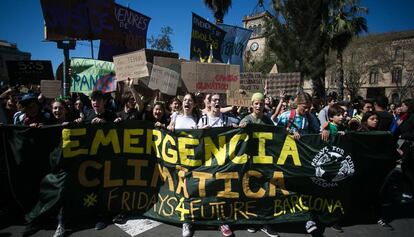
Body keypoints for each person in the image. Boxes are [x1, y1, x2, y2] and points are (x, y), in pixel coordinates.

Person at [197, 93, 238, 236]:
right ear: (209, 103)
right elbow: (193, 139)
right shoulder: (202, 119)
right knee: (206, 190)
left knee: (221, 192)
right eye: (214, 100)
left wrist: (239, 126)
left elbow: (241, 126)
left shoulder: (227, 119)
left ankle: (222, 221)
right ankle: (202, 216)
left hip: (222, 163)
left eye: (219, 100)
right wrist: (201, 131)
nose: (216, 102)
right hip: (206, 162)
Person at [239, 92, 279, 237]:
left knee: (266, 191)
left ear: (264, 105)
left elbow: (277, 132)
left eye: (261, 103)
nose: (259, 106)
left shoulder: (268, 120)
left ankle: (265, 222)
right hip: (250, 162)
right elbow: (238, 132)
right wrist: (241, 127)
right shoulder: (247, 119)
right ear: (251, 105)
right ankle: (252, 220)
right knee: (251, 191)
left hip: (265, 162)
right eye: (256, 103)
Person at [167, 93, 199, 237]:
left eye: (190, 100)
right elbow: (168, 128)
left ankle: (189, 220)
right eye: (185, 100)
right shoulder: (175, 116)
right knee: (180, 189)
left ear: (194, 105)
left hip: (192, 161)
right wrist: (169, 127)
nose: (187, 102)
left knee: (189, 190)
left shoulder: (197, 119)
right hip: (177, 160)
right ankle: (182, 218)